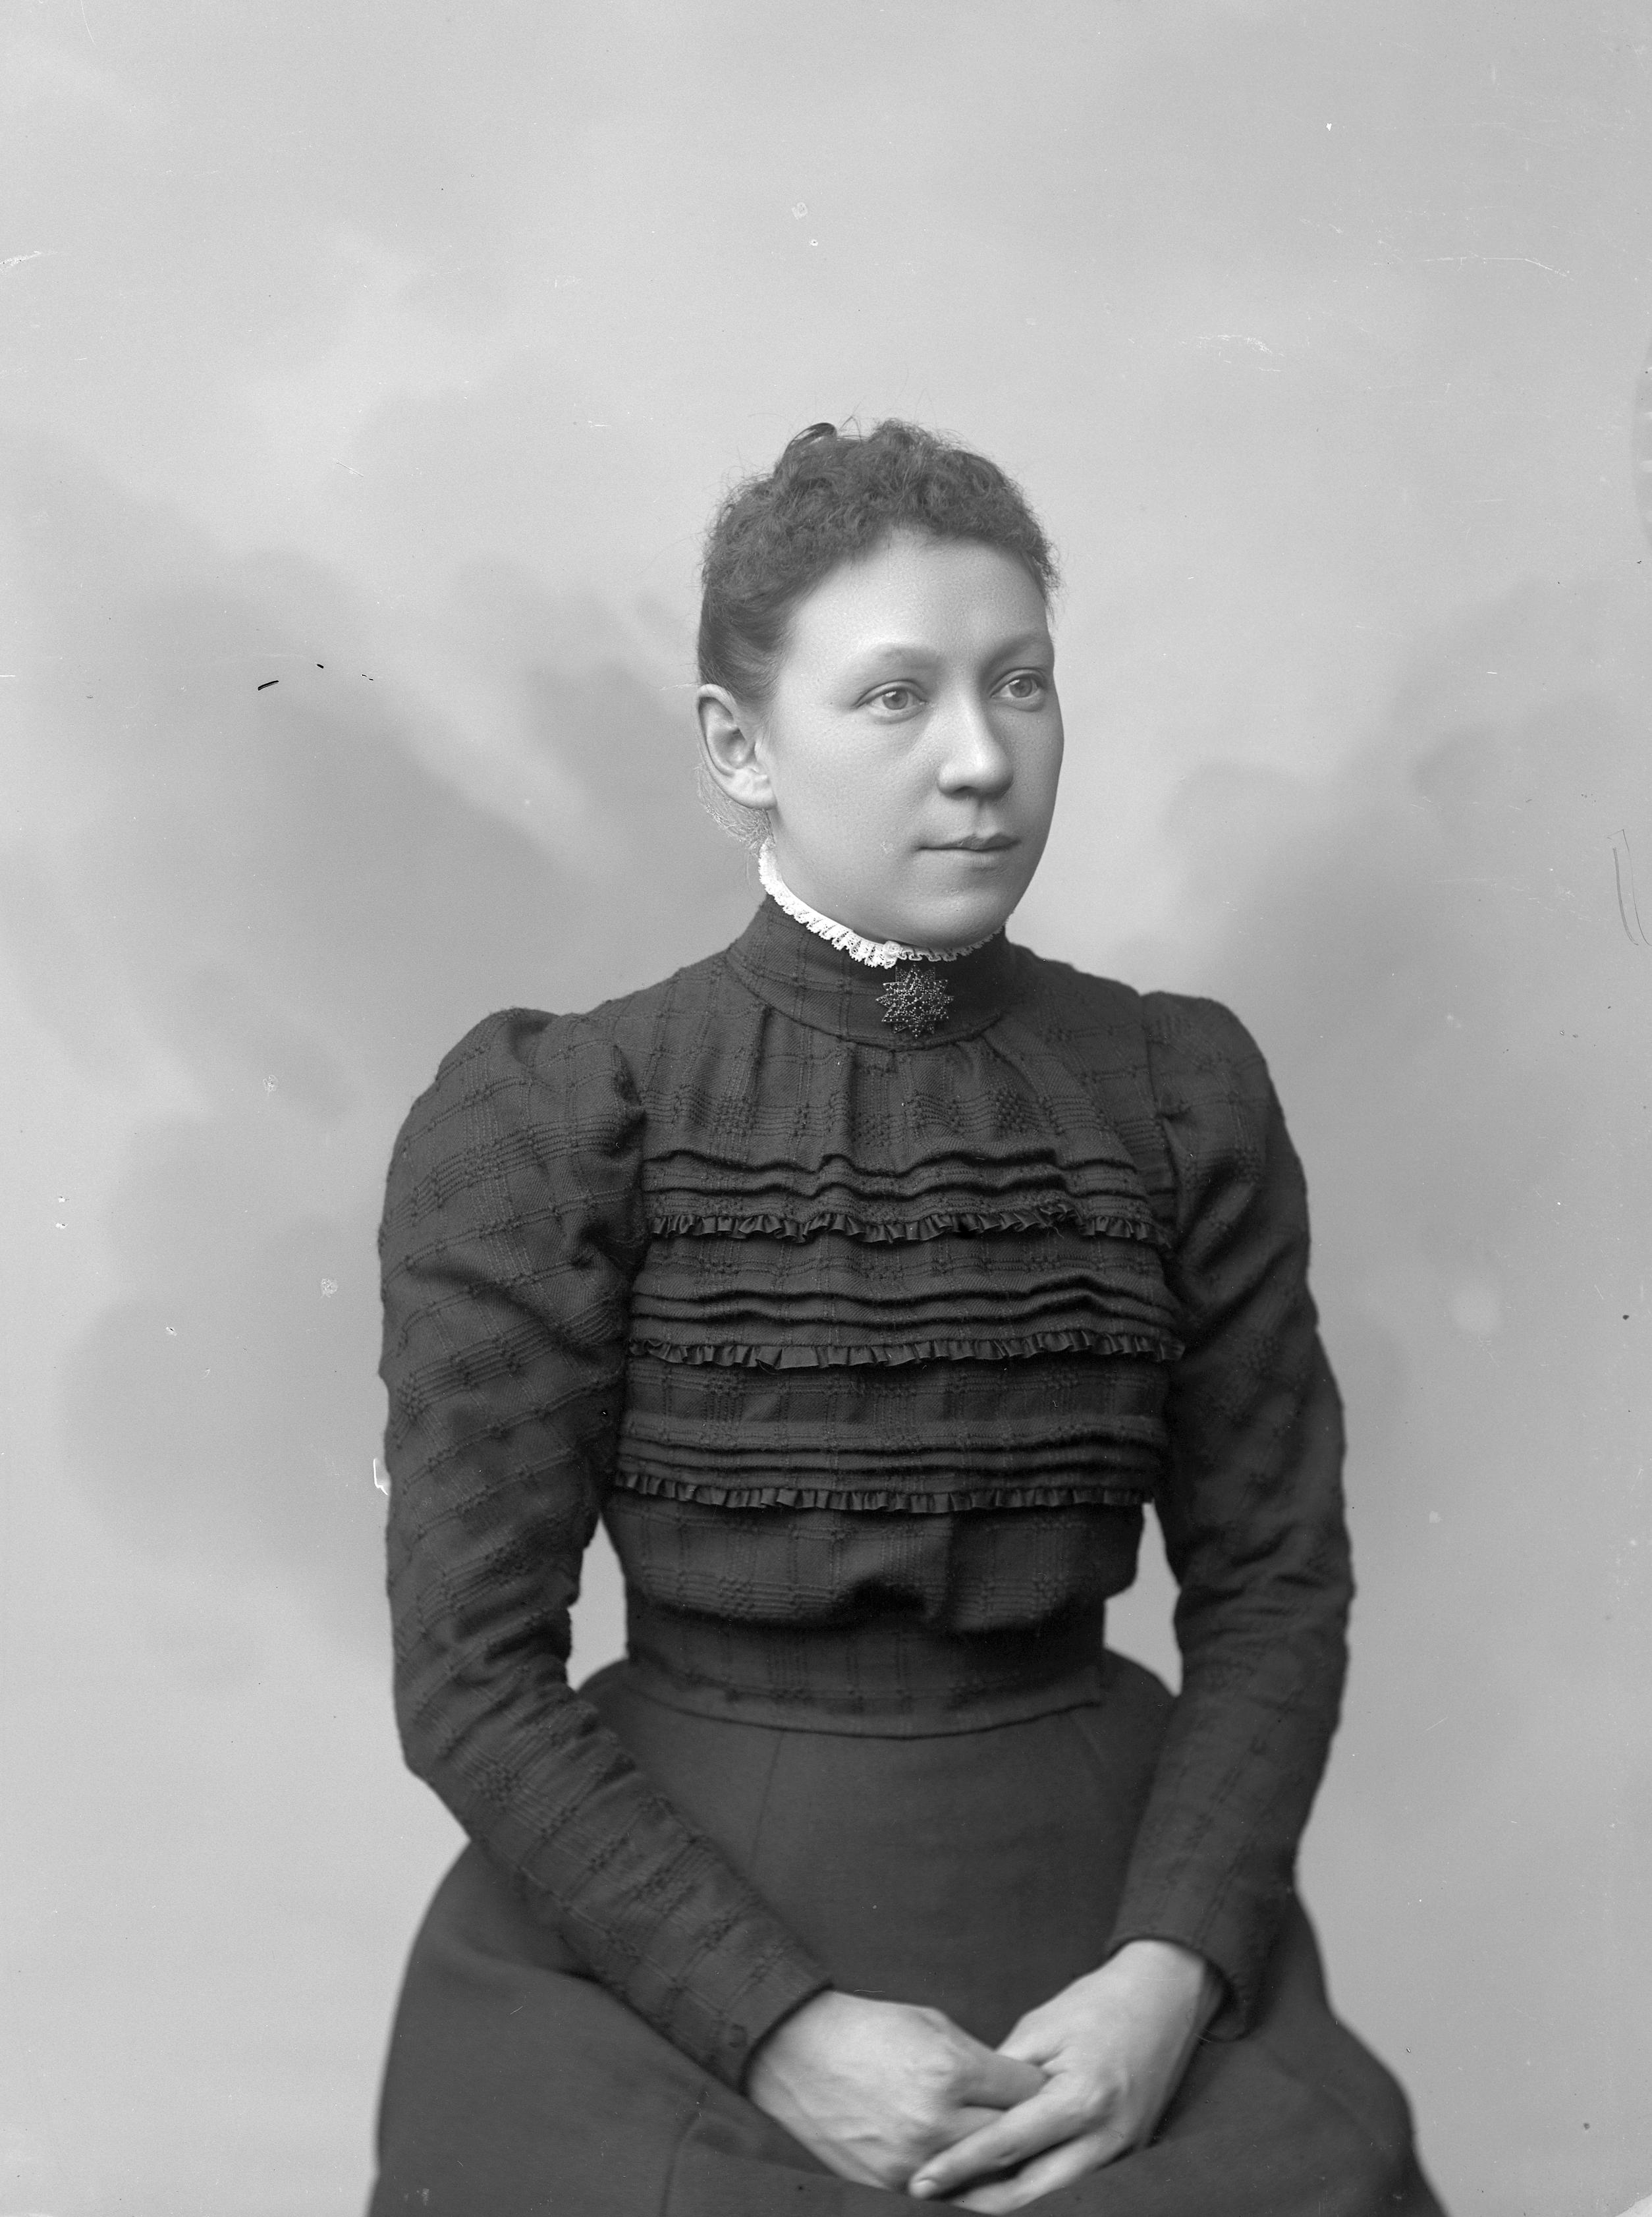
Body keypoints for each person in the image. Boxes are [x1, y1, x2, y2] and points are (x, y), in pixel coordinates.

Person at [368, 420, 1445, 2214]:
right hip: (672, 1941)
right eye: (894, 697)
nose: (981, 758)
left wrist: (1168, 1979)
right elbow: (466, 1669)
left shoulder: (1175, 1090)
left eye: (1020, 682)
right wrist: (776, 2029)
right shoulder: (564, 1117)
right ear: (740, 746)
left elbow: (1273, 1585)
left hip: (1102, 1924)